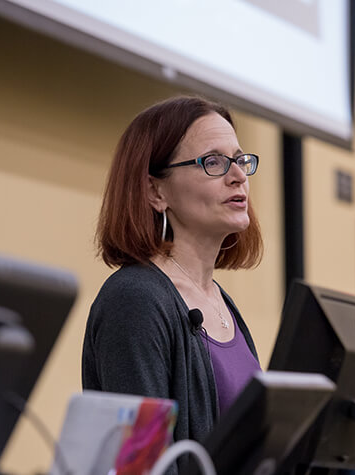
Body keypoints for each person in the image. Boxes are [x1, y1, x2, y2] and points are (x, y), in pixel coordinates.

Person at [81, 95, 264, 450]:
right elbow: (142, 460)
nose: (239, 176)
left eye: (240, 160)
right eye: (214, 162)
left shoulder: (220, 302)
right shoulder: (134, 300)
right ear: (155, 191)